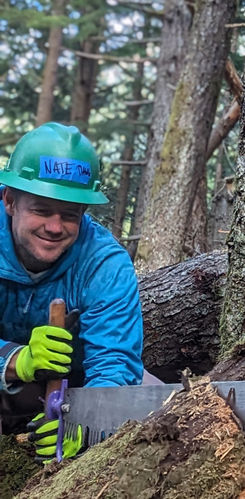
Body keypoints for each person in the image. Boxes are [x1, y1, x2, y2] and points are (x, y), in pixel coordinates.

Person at [0, 122, 143, 459]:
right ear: (9, 200)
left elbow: (114, 365)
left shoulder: (105, 264)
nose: (54, 227)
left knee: (150, 410)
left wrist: (86, 424)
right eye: (41, 210)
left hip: (74, 387)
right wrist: (16, 361)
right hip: (8, 387)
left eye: (69, 214)